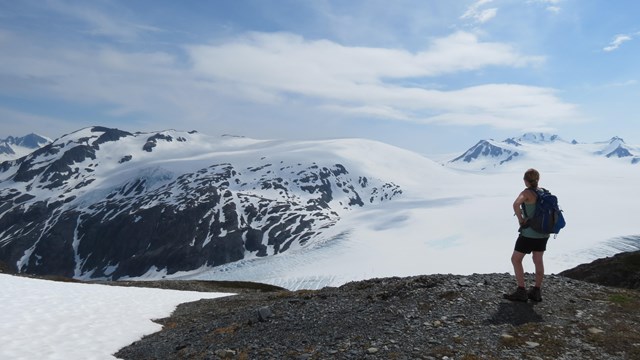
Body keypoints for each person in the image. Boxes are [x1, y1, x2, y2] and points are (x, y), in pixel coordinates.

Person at [503, 168, 550, 302]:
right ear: (537, 179)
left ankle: (521, 290)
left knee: (516, 259)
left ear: (525, 180)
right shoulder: (544, 192)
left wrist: (521, 219)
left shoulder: (526, 193)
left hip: (529, 233)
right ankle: (536, 291)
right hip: (543, 233)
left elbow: (516, 204)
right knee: (538, 260)